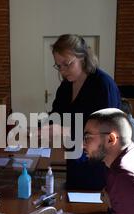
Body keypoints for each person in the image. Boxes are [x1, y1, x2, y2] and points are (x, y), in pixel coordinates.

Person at [49, 34, 121, 190]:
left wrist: (64, 131)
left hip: (100, 166)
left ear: (82, 57)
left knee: (93, 208)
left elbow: (107, 133)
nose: (62, 71)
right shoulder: (66, 86)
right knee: (74, 201)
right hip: (75, 160)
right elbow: (56, 115)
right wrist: (43, 127)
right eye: (58, 66)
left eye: (67, 64)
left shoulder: (102, 84)